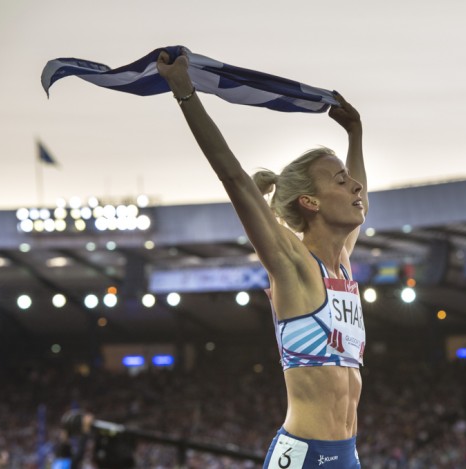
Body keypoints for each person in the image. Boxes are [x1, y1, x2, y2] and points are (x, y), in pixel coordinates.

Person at [157, 49, 368, 469]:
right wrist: (184, 93)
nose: (357, 187)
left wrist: (355, 133)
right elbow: (233, 176)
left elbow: (364, 198)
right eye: (342, 181)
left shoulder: (341, 265)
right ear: (309, 201)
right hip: (304, 457)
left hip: (347, 454)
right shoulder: (293, 264)